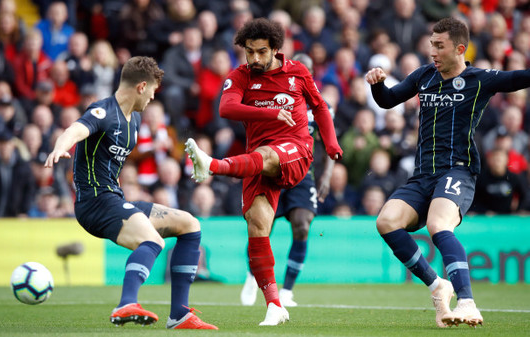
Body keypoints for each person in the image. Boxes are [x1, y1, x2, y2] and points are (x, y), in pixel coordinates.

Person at [365, 17, 530, 328]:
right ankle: (437, 285)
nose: (433, 52)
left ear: (459, 49)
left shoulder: (479, 79)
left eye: (439, 46)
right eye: (431, 45)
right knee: (386, 221)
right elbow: (388, 100)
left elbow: (517, 78)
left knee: (437, 224)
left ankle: (467, 301)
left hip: (458, 170)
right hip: (422, 175)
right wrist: (377, 85)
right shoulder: (423, 76)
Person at [185, 18, 342, 326]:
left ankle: (213, 165)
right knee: (258, 227)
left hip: (296, 148)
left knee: (271, 165)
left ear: (275, 49)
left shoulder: (298, 72)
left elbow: (321, 107)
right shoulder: (240, 76)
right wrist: (270, 112)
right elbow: (226, 109)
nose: (254, 59)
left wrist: (333, 144)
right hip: (257, 157)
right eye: (249, 52)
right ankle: (274, 304)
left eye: (261, 52)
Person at [44, 56, 217, 330]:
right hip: (95, 203)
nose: (152, 98)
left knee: (190, 225)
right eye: (152, 92)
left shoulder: (134, 122)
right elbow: (75, 129)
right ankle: (125, 304)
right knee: (154, 242)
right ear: (141, 86)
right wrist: (59, 147)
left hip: (115, 199)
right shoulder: (103, 111)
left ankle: (180, 314)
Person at [239, 53, 335, 308]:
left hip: (303, 174)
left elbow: (328, 142)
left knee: (302, 225)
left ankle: (288, 291)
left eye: (310, 70)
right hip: (271, 167)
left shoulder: (321, 105)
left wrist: (326, 176)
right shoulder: (273, 97)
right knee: (263, 227)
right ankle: (252, 276)